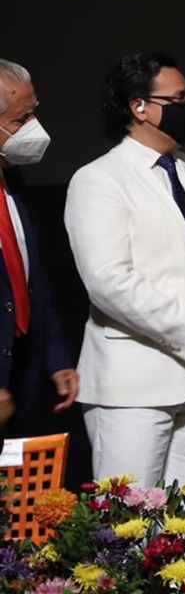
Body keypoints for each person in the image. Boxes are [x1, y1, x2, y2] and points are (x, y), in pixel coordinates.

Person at [65, 53, 185, 487]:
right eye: (178, 99)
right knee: (128, 517)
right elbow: (108, 281)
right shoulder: (99, 179)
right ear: (139, 107)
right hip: (132, 383)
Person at [0, 60, 76, 432]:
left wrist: (56, 357)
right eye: (21, 120)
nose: (34, 128)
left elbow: (32, 277)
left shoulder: (14, 184)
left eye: (33, 113)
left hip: (19, 375)